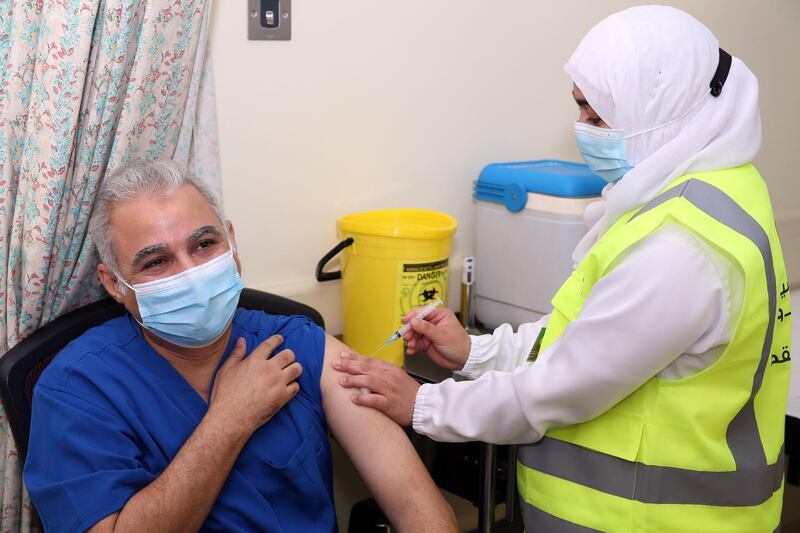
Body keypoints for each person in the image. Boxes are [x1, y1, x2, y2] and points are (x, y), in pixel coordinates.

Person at [334, 5, 792, 532]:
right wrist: (476, 351)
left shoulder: (681, 248)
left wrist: (423, 404)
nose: (583, 130)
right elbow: (580, 339)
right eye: (581, 110)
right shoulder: (703, 194)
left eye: (599, 117)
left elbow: (559, 387)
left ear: (661, 107)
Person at [23, 160, 457, 533]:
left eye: (204, 244)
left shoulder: (297, 342)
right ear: (113, 284)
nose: (191, 272)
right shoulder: (76, 389)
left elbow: (413, 500)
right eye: (157, 261)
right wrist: (229, 420)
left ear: (231, 241)